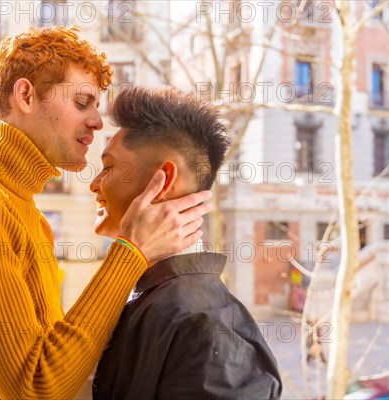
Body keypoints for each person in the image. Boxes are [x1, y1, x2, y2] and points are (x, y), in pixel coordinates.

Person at [0, 27, 212, 399]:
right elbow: (36, 389)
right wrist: (131, 251)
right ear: (25, 95)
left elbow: (57, 365)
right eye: (82, 102)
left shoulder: (27, 213)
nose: (97, 122)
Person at [90, 86, 282, 399]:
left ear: (161, 181)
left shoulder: (206, 325)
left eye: (109, 166)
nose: (94, 184)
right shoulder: (156, 298)